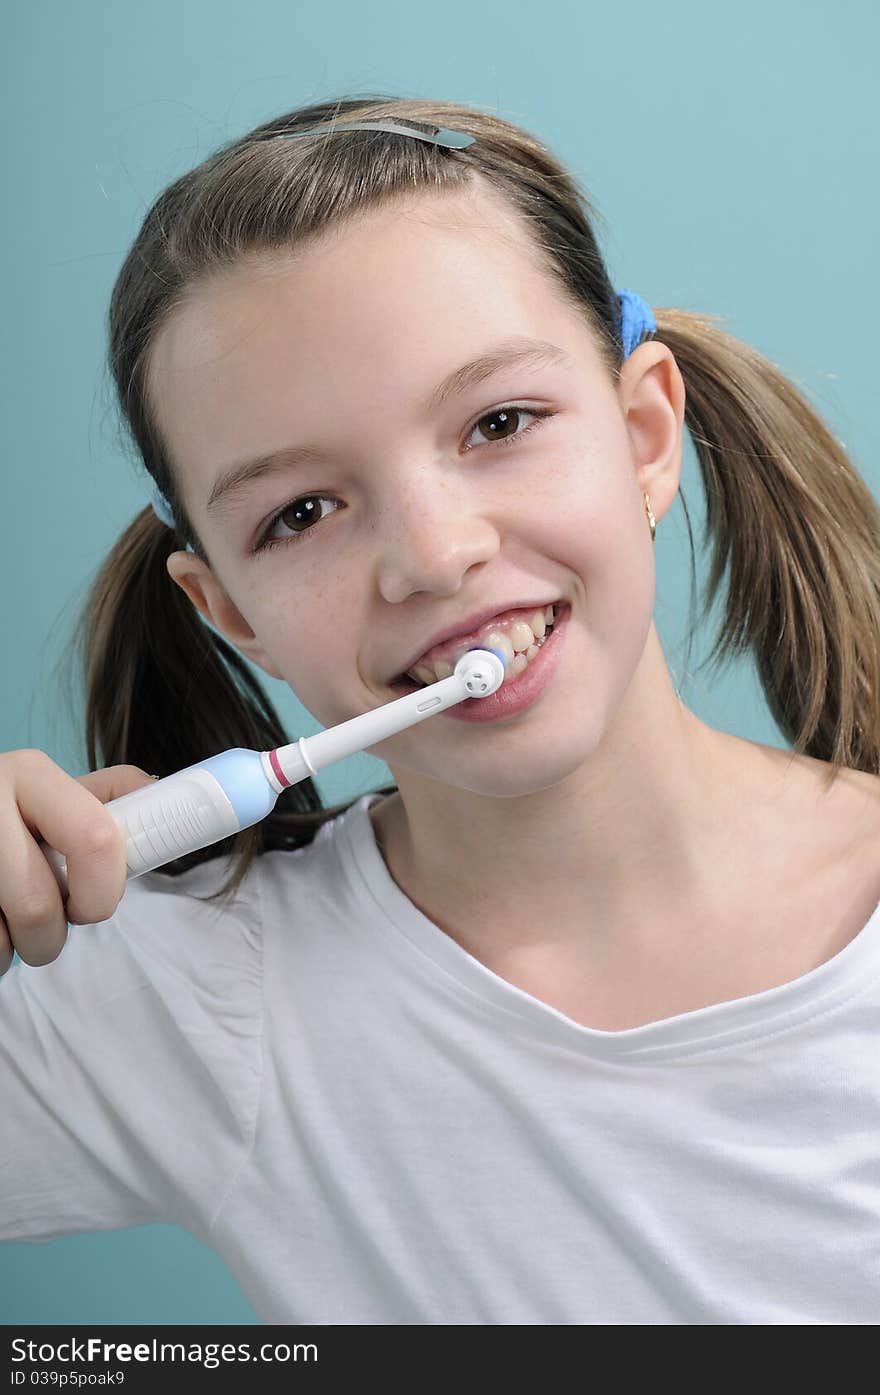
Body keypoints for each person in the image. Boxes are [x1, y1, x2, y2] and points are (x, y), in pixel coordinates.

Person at [2, 94, 880, 1326]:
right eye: (299, 512)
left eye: (499, 423)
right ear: (228, 608)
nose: (433, 553)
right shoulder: (199, 993)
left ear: (643, 435)